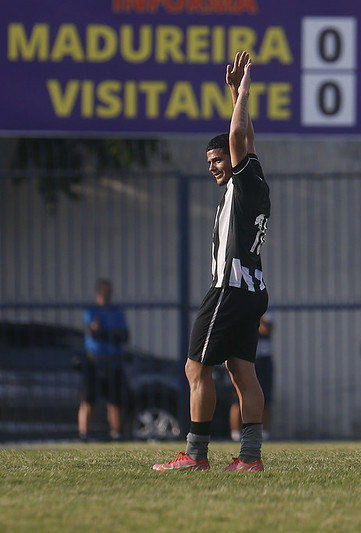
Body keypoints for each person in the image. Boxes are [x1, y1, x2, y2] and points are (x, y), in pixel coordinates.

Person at [154, 50, 270, 472]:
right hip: (252, 291)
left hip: (229, 289)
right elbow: (247, 140)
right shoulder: (254, 179)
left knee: (194, 366)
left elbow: (238, 137)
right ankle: (250, 459)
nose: (214, 167)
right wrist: (236, 97)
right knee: (242, 373)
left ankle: (196, 455)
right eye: (210, 162)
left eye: (217, 160)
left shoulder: (244, 180)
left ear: (233, 159)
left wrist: (242, 93)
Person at [79, 278, 129, 441]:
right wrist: (111, 333)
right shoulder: (91, 311)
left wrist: (104, 332)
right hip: (93, 362)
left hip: (113, 362)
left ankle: (116, 433)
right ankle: (84, 434)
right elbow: (93, 332)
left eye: (108, 292)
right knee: (88, 399)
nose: (106, 295)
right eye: (102, 292)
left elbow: (124, 336)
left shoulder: (117, 312)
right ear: (97, 293)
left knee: (114, 400)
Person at [230, 312, 274, 442]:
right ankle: (236, 434)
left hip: (262, 360)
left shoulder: (266, 311)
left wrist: (255, 316)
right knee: (237, 398)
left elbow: (265, 329)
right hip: (243, 356)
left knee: (265, 396)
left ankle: (264, 433)